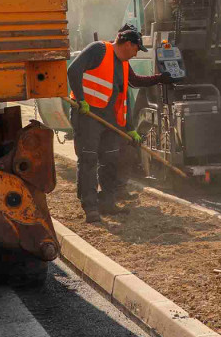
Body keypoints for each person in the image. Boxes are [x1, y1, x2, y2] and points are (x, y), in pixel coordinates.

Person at [66, 25, 175, 222]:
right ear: (127, 44)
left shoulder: (124, 64)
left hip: (109, 120)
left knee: (110, 160)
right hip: (87, 114)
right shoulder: (98, 50)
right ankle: (90, 207)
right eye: (136, 49)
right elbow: (73, 70)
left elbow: (133, 84)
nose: (135, 54)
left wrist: (161, 79)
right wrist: (81, 99)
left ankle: (107, 202)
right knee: (89, 160)